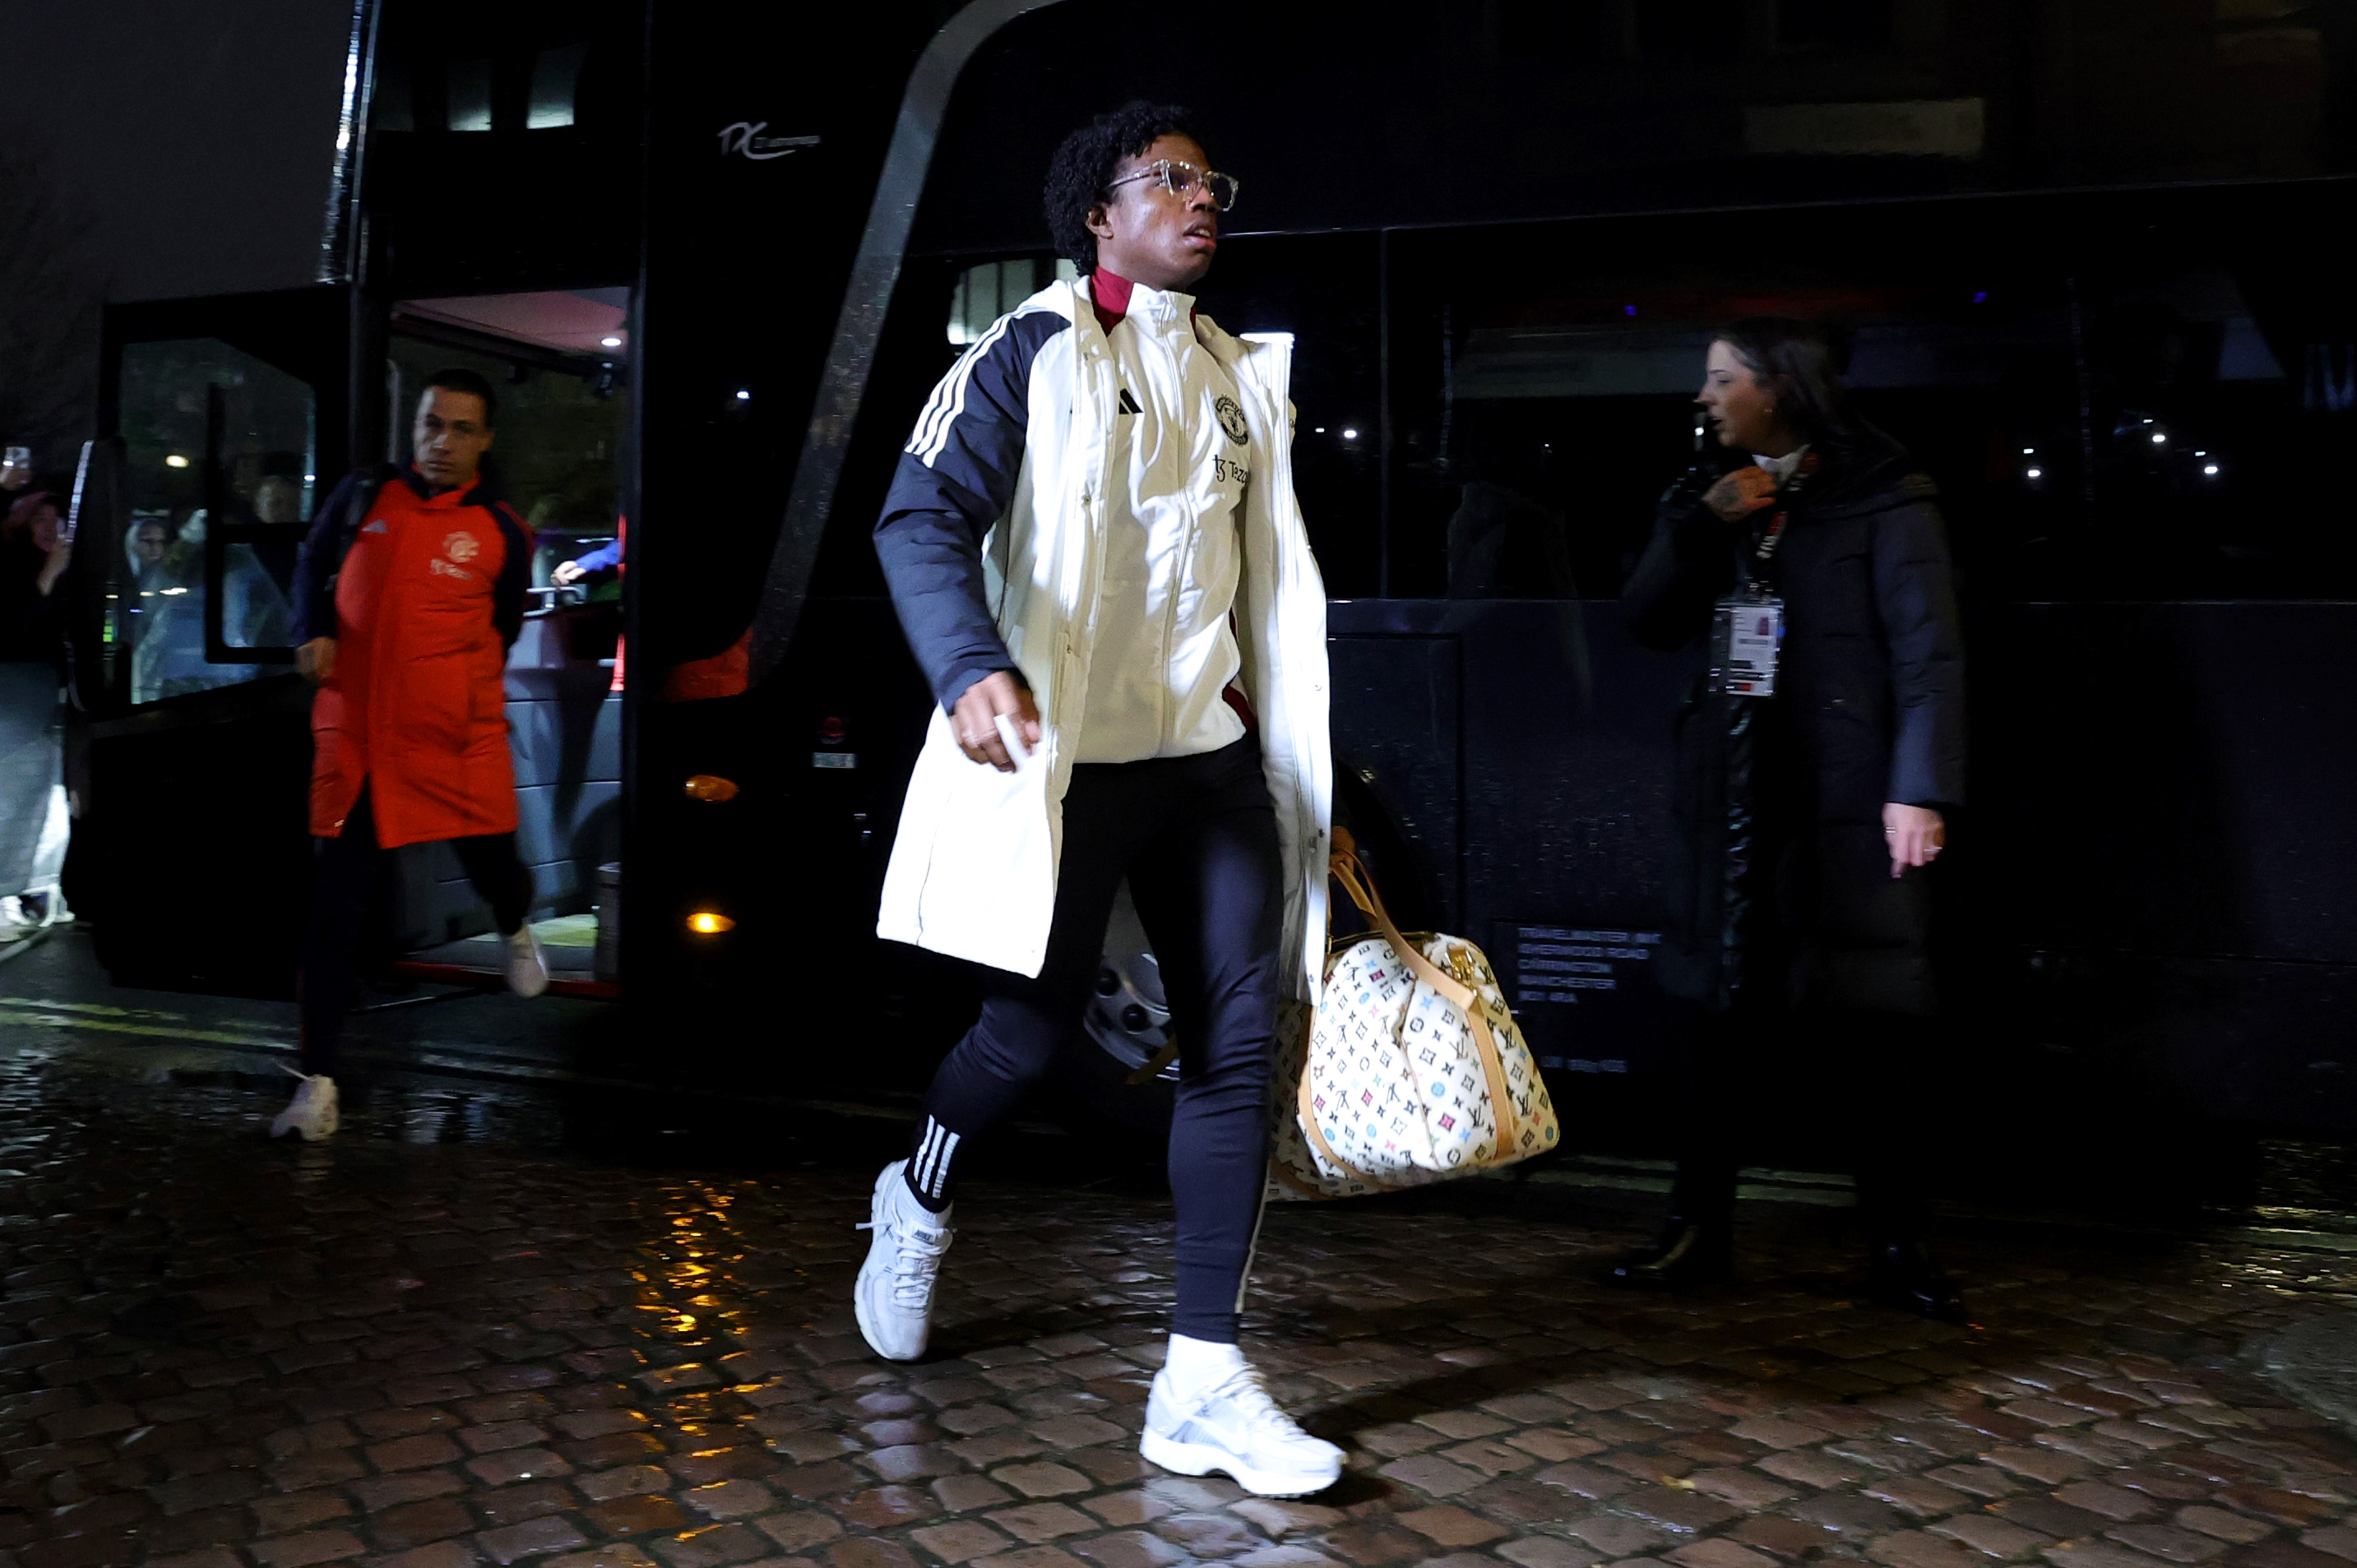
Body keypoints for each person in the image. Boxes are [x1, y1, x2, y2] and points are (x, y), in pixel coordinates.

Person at [861, 102, 1341, 1498]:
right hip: (1071, 763)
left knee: (1235, 1053)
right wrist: (969, 667)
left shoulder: (1244, 375)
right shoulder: (1023, 351)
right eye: (1172, 180)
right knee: (1019, 1040)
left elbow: (1261, 585)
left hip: (1208, 764)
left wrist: (1284, 743)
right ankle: (919, 1194)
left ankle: (1201, 1375)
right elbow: (919, 519)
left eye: (1212, 181)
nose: (1205, 200)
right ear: (1099, 212)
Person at [1615, 317, 1968, 1321]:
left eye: (1722, 378)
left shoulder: (1882, 491)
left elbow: (1928, 650)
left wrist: (1920, 788)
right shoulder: (1707, 492)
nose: (1705, 396)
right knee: (1715, 1022)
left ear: (1781, 387)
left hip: (1847, 800)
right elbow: (1645, 620)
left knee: (1874, 1027)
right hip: (1732, 797)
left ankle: (1899, 1242)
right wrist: (1705, 523)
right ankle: (1696, 1229)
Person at [274, 369, 548, 1141]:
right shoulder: (364, 495)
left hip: (453, 739)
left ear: (485, 441)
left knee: (496, 863)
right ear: (415, 425)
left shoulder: (503, 527)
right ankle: (315, 1084)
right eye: (432, 424)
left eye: (461, 429)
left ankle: (515, 927)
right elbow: (310, 562)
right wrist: (310, 627)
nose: (442, 441)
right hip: (358, 741)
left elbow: (503, 621)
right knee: (333, 917)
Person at [1, 484, 71, 936]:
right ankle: (7, 891)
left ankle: (39, 885)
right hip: (17, 690)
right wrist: (48, 576)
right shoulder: (13, 567)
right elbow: (13, 630)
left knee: (50, 796)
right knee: (16, 792)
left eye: (56, 521)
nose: (49, 529)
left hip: (53, 690)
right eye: (39, 521)